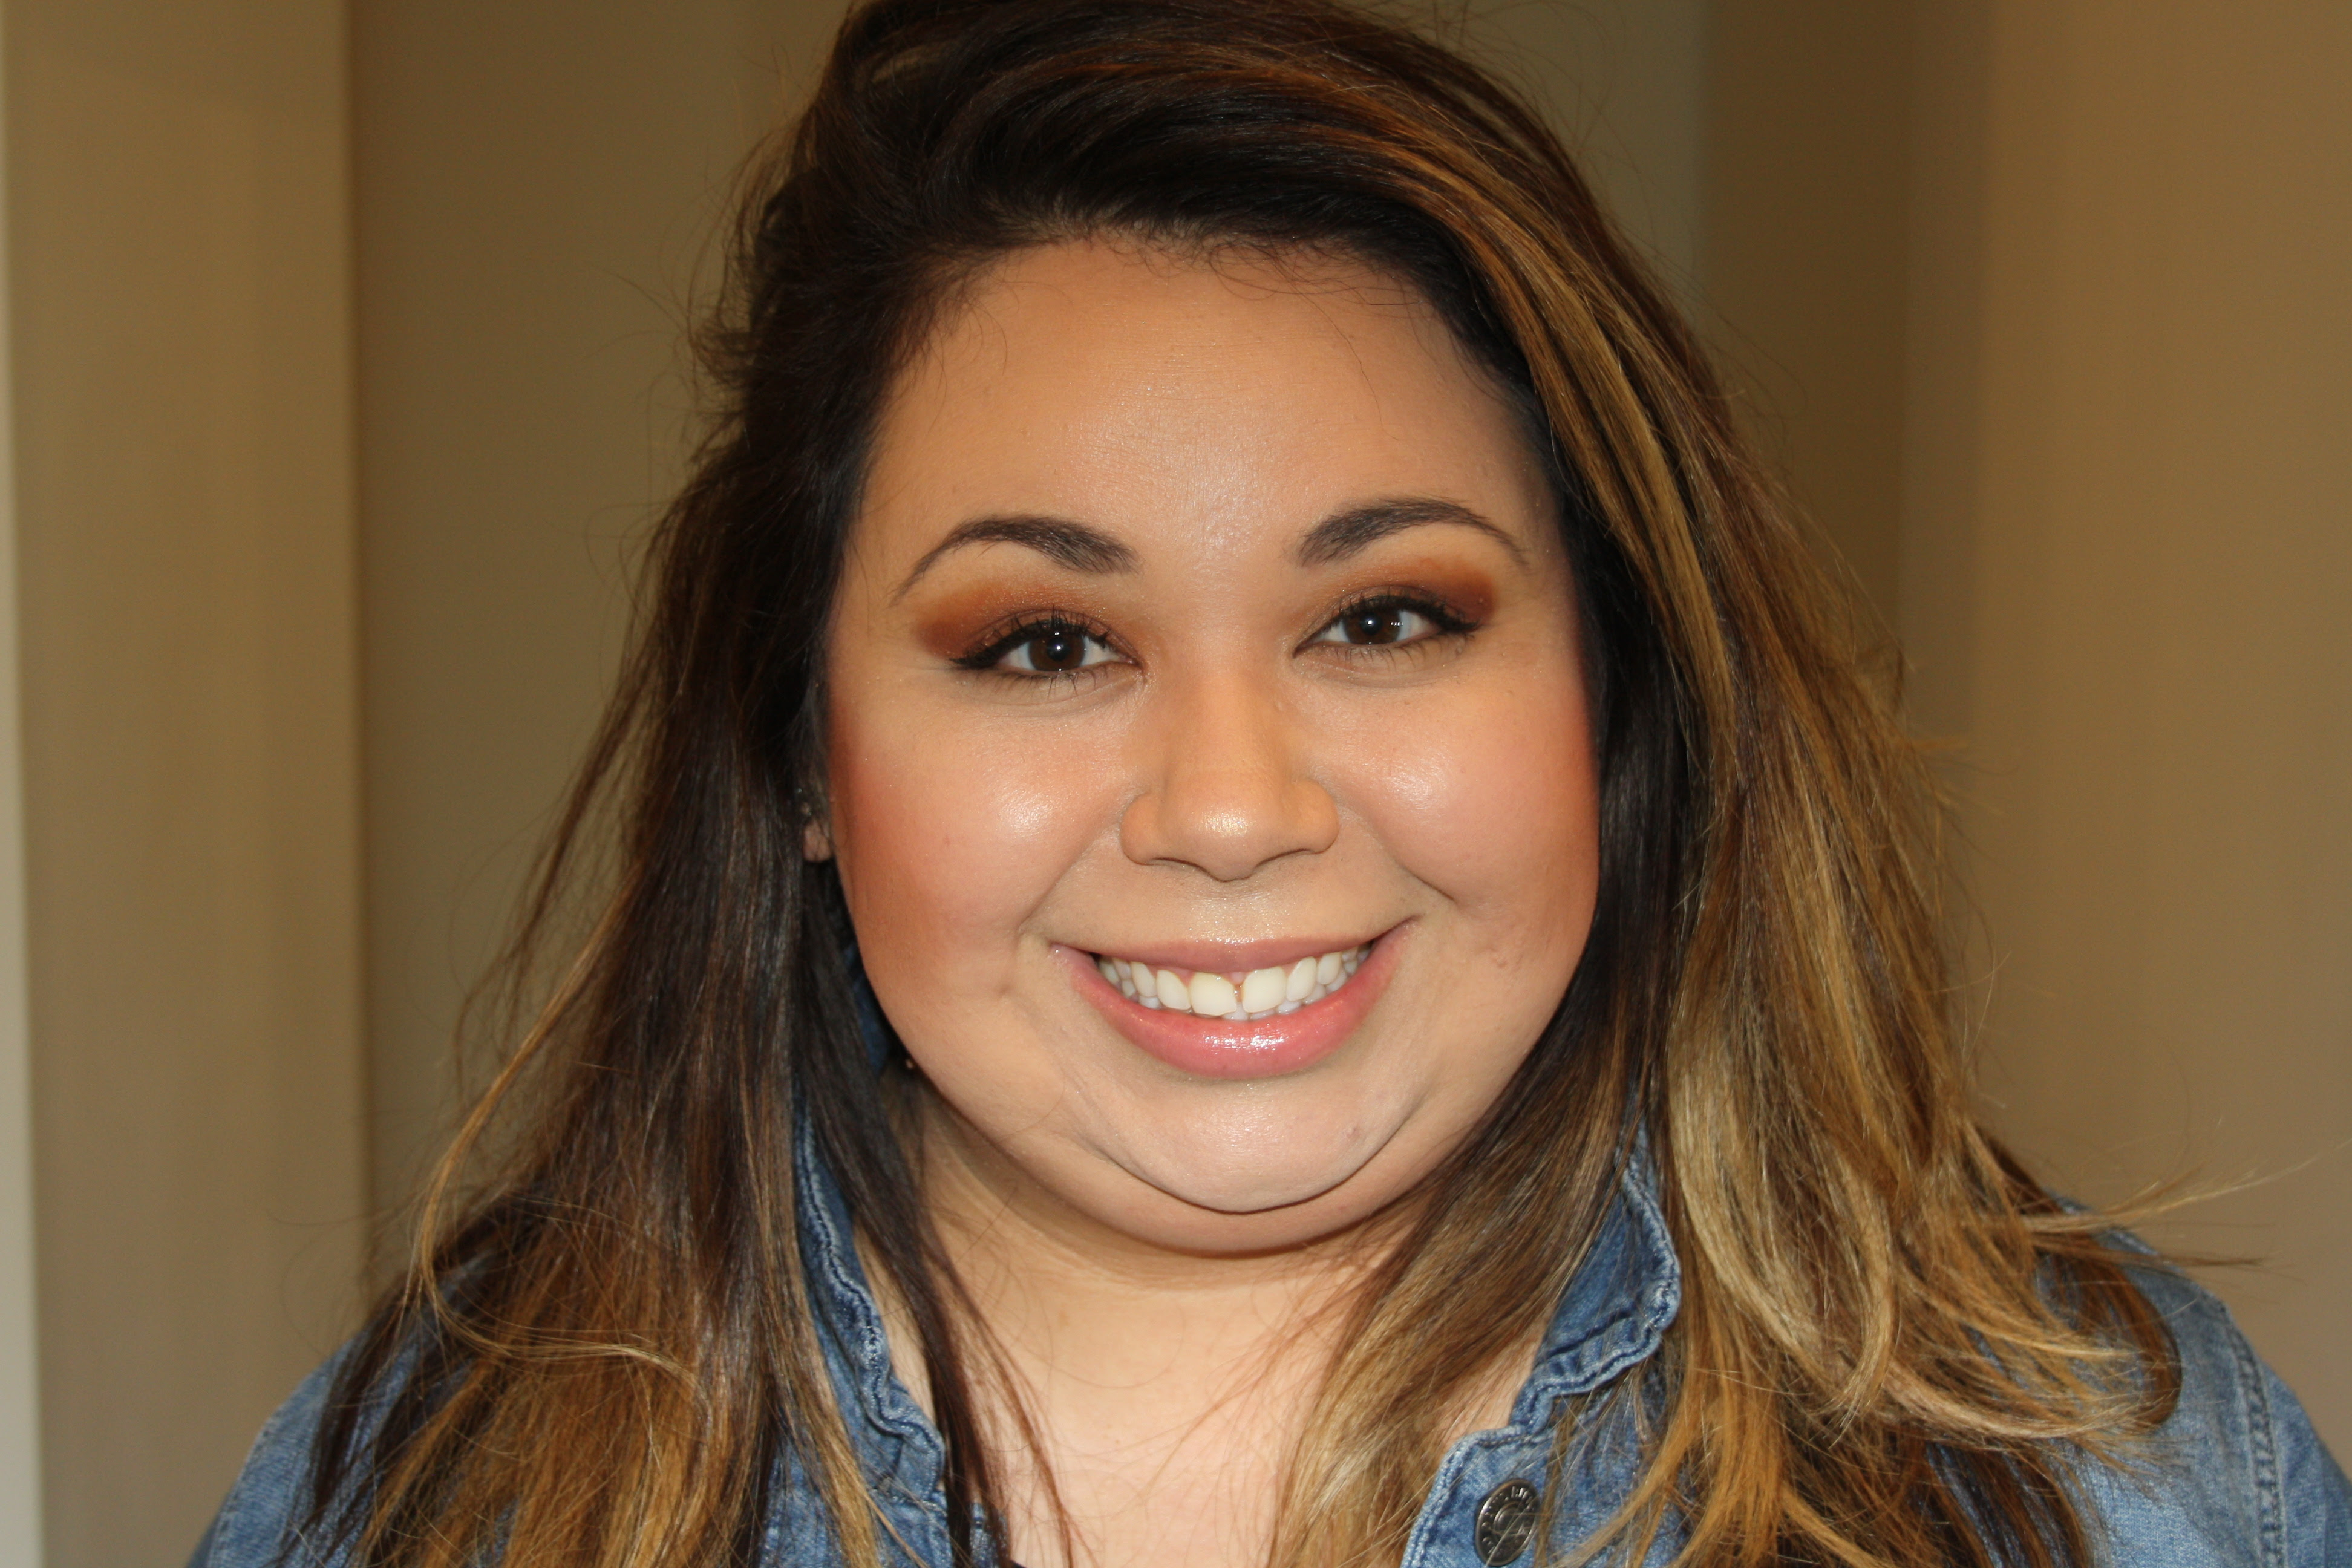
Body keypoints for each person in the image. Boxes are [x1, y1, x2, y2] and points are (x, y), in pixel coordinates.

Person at [192, 1, 2350, 1564]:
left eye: (1386, 616)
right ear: (800, 754)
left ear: (1616, 691)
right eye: (1045, 643)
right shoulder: (432, 1493)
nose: (1231, 811)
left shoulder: (2107, 1479)